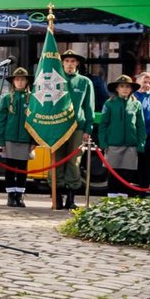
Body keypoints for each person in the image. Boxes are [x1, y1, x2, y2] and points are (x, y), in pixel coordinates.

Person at [52, 50, 95, 210]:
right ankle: (57, 198)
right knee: (56, 161)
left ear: (77, 64)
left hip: (77, 127)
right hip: (57, 127)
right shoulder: (54, 80)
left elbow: (89, 107)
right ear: (62, 63)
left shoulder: (84, 82)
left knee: (74, 162)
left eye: (73, 61)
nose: (70, 64)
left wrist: (88, 129)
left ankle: (70, 198)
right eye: (67, 61)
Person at [99, 75, 146, 198]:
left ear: (131, 89)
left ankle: (123, 202)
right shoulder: (109, 104)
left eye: (127, 87)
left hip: (131, 146)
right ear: (117, 89)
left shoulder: (136, 104)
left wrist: (141, 143)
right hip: (113, 145)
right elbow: (103, 125)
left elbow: (141, 126)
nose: (125, 89)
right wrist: (103, 143)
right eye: (122, 86)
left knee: (127, 176)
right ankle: (112, 201)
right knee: (113, 175)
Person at [0, 68, 34, 207]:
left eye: (22, 79)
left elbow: (37, 121)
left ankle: (20, 195)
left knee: (23, 169)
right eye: (17, 79)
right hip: (10, 138)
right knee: (10, 168)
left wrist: (34, 141)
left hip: (25, 138)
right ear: (13, 82)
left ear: (27, 81)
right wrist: (1, 140)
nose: (20, 82)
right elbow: (0, 120)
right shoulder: (6, 98)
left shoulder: (33, 98)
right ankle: (11, 196)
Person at [134, 72, 150, 194]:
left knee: (147, 169)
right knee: (132, 169)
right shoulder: (131, 97)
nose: (147, 85)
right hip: (133, 140)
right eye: (144, 82)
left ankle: (144, 195)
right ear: (137, 81)